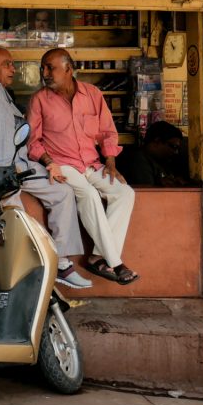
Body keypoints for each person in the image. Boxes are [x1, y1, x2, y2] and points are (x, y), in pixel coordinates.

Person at [0, 3, 91, 290]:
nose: (12, 68)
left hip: (19, 168)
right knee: (13, 225)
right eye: (7, 64)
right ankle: (16, 282)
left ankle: (61, 263)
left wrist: (48, 165)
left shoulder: (6, 97)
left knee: (62, 192)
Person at [29, 48, 138, 285]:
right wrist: (48, 162)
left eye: (50, 67)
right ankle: (115, 263)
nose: (45, 73)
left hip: (91, 163)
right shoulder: (39, 99)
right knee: (88, 195)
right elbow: (32, 141)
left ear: (68, 69)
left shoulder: (92, 94)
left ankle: (97, 257)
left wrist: (110, 160)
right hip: (62, 165)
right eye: (43, 68)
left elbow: (108, 131)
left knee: (125, 193)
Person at [117, 121, 188, 187]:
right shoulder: (139, 160)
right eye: (174, 147)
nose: (175, 152)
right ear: (157, 141)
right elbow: (146, 191)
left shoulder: (162, 161)